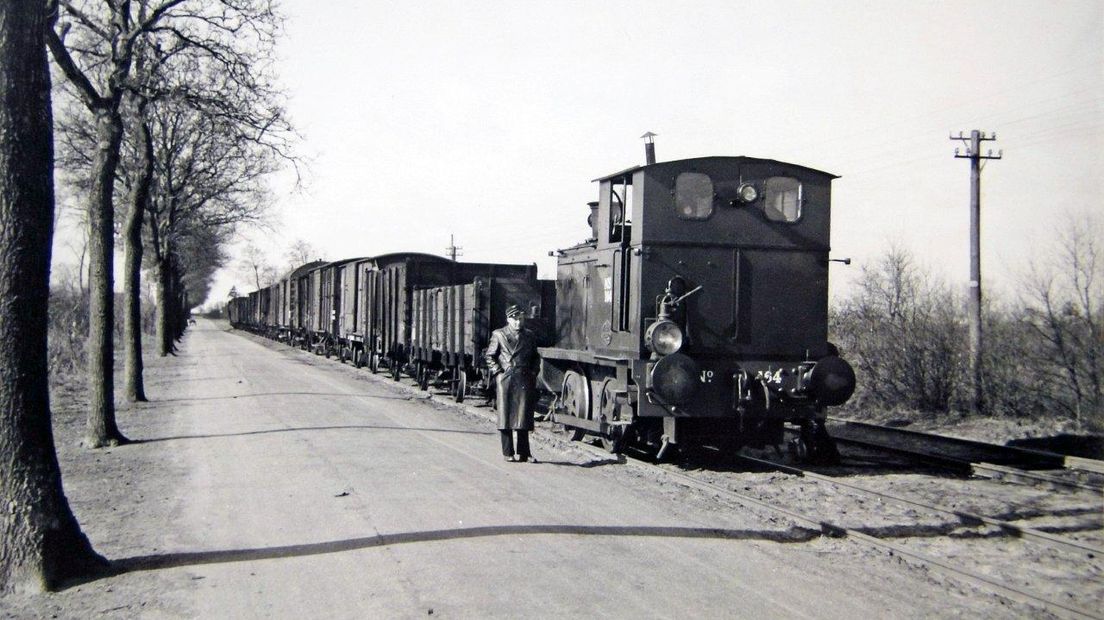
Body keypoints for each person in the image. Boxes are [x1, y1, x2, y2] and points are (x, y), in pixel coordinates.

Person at [485, 304, 540, 463]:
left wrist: (533, 372)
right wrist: (498, 372)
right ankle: (508, 452)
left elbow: (536, 357)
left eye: (521, 319)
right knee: (506, 417)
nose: (518, 323)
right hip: (507, 379)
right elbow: (490, 356)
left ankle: (525, 453)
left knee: (524, 417)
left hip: (524, 378)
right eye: (515, 319)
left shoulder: (529, 335)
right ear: (508, 319)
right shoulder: (499, 334)